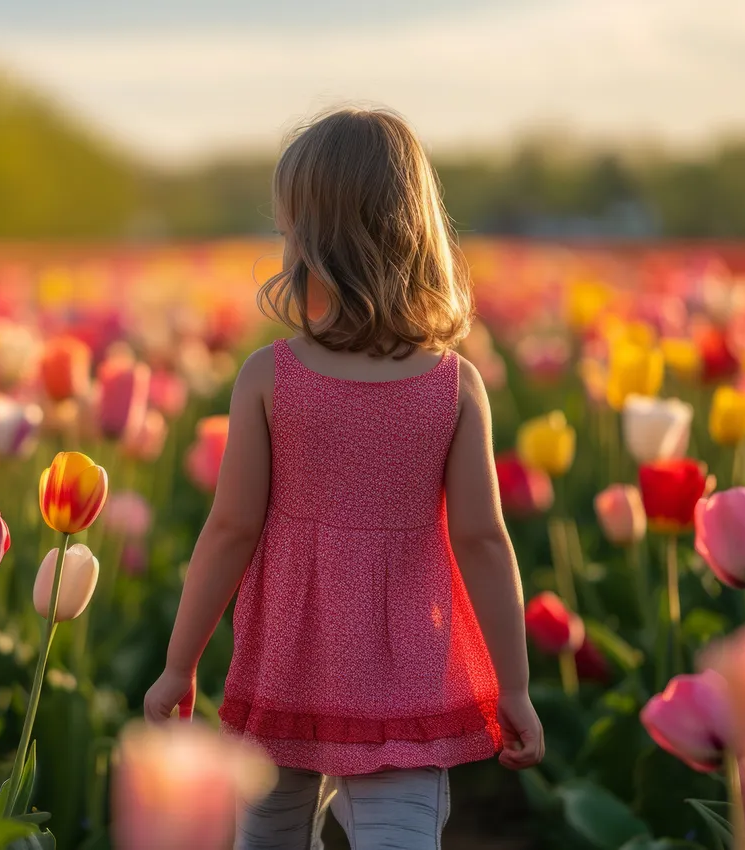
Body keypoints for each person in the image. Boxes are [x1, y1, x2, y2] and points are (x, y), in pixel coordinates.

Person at [143, 108, 544, 850]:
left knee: (267, 833)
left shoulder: (270, 378)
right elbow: (484, 539)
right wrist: (512, 687)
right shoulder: (453, 387)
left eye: (287, 227)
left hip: (287, 668)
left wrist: (179, 664)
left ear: (314, 243)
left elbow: (230, 530)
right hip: (409, 679)